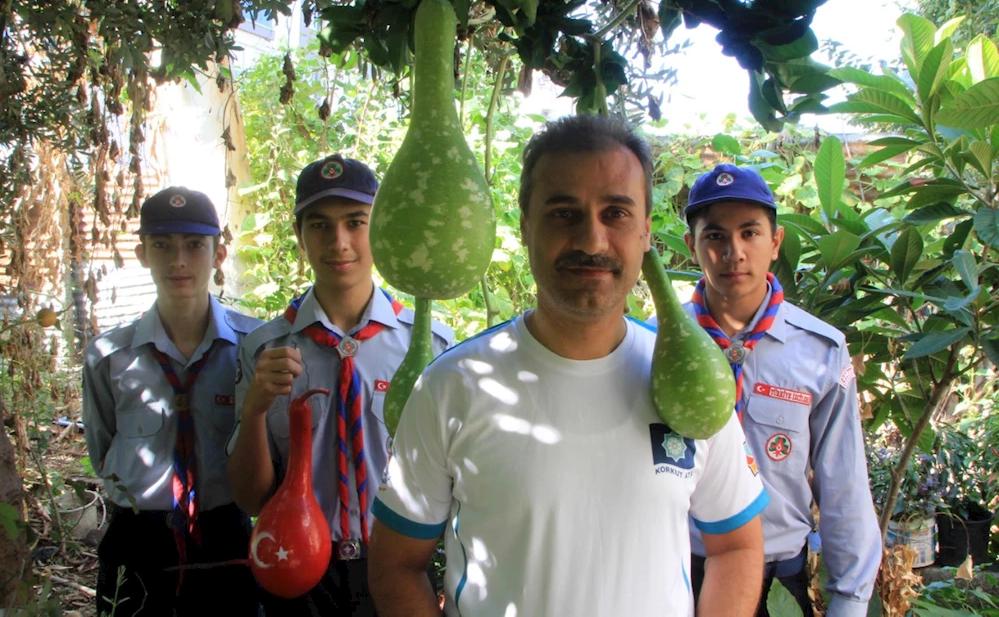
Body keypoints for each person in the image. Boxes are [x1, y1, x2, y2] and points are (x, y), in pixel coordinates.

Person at [368, 116, 769, 617]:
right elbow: (396, 563)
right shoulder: (452, 386)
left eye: (616, 213)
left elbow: (737, 544)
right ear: (525, 226)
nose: (592, 241)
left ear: (646, 232)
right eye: (563, 213)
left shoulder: (695, 386)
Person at [650, 164, 881, 616]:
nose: (733, 252)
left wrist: (850, 601)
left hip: (779, 580)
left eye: (750, 233)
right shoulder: (649, 344)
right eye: (714, 236)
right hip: (674, 575)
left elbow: (843, 482)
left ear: (775, 243)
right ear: (690, 247)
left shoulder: (820, 351)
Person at [226, 154, 453, 615]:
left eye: (356, 222)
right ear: (299, 235)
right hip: (299, 568)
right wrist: (254, 410)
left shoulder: (428, 344)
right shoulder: (264, 349)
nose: (339, 242)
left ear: (382, 229)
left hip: (397, 568)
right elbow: (250, 497)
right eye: (319, 225)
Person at [82, 186, 262, 616]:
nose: (179, 261)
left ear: (219, 254)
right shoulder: (109, 355)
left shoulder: (254, 345)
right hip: (137, 539)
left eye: (195, 245)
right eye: (162, 245)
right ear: (143, 253)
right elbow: (102, 446)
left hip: (225, 535)